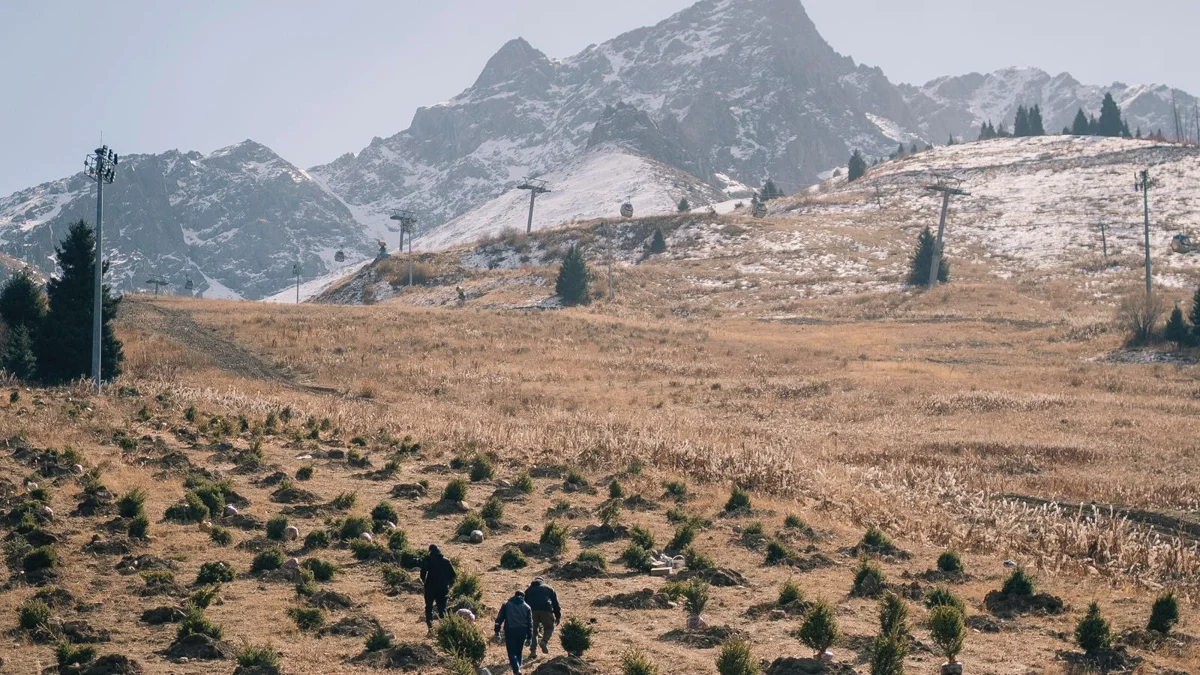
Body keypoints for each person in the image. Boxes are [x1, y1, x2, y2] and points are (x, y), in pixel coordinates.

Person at [494, 590, 534, 675]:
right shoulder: (527, 607)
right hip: (522, 631)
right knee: (519, 651)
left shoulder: (506, 604)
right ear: (523, 597)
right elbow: (530, 623)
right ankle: (518, 669)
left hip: (510, 630)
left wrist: (497, 630)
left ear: (514, 595)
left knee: (511, 652)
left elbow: (500, 618)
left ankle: (516, 670)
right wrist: (529, 637)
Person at [523, 577, 561, 658]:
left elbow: (524, 604)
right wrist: (558, 616)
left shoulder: (528, 590)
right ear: (542, 582)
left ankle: (533, 652)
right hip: (546, 610)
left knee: (533, 632)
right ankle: (544, 641)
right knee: (549, 628)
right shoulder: (548, 588)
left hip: (532, 611)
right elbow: (555, 603)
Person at [420, 544, 456, 630]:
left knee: (429, 607)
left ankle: (430, 628)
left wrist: (424, 581)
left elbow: (423, 572)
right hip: (443, 588)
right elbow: (453, 575)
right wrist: (447, 583)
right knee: (442, 608)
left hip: (430, 587)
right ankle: (444, 628)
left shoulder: (428, 559)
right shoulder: (446, 561)